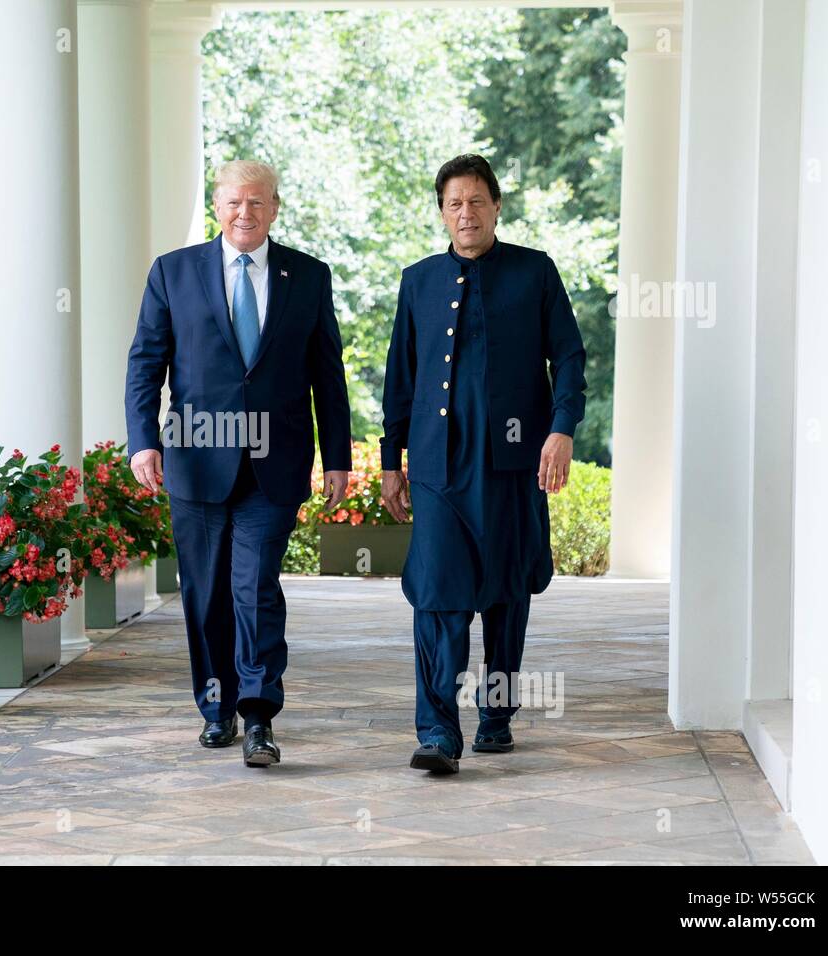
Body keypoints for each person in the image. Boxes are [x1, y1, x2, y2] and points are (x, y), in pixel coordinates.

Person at [125, 160, 351, 767]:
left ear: (275, 207)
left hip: (274, 464)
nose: (244, 214)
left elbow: (328, 375)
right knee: (205, 595)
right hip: (197, 458)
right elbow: (146, 362)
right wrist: (143, 441)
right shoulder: (174, 273)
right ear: (216, 208)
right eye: (232, 203)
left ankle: (258, 716)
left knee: (254, 589)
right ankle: (216, 707)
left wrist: (338, 458)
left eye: (256, 203)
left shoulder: (307, 275)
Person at [379, 154, 587, 775]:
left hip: (509, 464)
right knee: (438, 594)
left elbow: (570, 358)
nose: (465, 213)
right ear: (441, 213)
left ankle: (496, 714)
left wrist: (561, 430)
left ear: (497, 206)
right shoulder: (417, 282)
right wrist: (392, 461)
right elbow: (400, 379)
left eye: (476, 201)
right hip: (439, 468)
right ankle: (438, 732)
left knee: (504, 590)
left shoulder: (535, 273)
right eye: (453, 204)